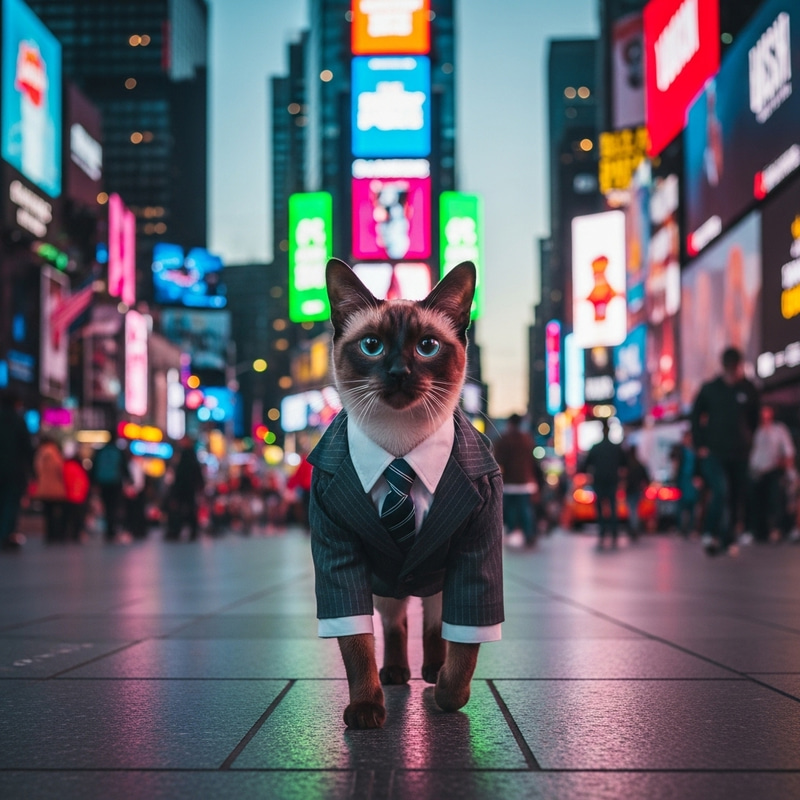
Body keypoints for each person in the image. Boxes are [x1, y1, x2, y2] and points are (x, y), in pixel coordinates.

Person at [691, 346, 759, 557]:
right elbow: (695, 416)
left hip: (739, 452)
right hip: (715, 451)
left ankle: (728, 537)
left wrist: (747, 442)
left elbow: (754, 418)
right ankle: (710, 532)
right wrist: (700, 444)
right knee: (721, 490)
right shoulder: (710, 389)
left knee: (736, 494)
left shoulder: (748, 389)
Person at [748, 405, 795, 544]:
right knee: (755, 502)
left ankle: (775, 529)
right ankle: (757, 531)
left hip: (773, 469)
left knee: (774, 500)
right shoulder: (753, 430)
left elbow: (788, 449)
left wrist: (787, 463)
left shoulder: (779, 430)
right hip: (755, 470)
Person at [493, 413, 541, 548]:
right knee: (525, 509)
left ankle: (512, 532)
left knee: (509, 509)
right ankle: (528, 534)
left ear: (509, 423)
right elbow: (533, 461)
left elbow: (498, 460)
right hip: (525, 481)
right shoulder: (527, 439)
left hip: (509, 482)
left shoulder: (504, 440)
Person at [0, 390, 34, 551]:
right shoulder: (18, 420)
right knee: (10, 503)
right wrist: (32, 471)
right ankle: (7, 535)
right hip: (14, 470)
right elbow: (27, 448)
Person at [584, 419, 624, 548]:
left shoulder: (596, 448)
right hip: (612, 481)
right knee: (613, 508)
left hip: (599, 481)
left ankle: (602, 534)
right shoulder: (616, 448)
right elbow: (624, 464)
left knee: (600, 509)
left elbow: (585, 464)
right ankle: (614, 534)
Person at [91, 436, 130, 543]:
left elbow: (94, 467)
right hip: (115, 482)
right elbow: (124, 467)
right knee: (114, 506)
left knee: (107, 506)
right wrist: (128, 480)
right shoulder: (118, 451)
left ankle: (108, 530)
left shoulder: (100, 451)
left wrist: (94, 483)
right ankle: (112, 530)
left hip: (103, 482)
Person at [165, 436, 205, 541]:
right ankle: (180, 530)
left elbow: (194, 472)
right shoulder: (181, 454)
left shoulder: (187, 455)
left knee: (187, 509)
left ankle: (184, 531)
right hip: (182, 487)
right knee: (181, 509)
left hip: (186, 487)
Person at [33, 437, 67, 544]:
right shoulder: (54, 453)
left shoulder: (39, 454)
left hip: (43, 487)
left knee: (47, 513)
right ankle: (55, 535)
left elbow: (36, 470)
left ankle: (49, 535)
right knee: (56, 513)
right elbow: (60, 469)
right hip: (56, 488)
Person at [671, 430, 701, 538]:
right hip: (682, 480)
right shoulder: (680, 450)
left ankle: (691, 528)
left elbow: (698, 465)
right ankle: (680, 528)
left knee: (692, 505)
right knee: (680, 505)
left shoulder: (694, 450)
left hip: (692, 480)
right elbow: (673, 459)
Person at [63, 442, 91, 543]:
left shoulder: (65, 466)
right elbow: (84, 483)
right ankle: (76, 534)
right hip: (78, 496)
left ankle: (68, 534)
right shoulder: (79, 468)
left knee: (68, 517)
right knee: (78, 518)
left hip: (67, 496)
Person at [623, 444, 650, 542]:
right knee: (635, 510)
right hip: (637, 490)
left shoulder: (627, 465)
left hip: (629, 490)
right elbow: (647, 479)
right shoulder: (639, 464)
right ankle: (635, 528)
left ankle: (633, 529)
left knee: (632, 510)